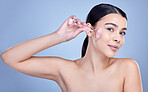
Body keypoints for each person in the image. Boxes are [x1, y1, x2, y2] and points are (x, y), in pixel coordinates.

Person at [1, 3, 143, 92]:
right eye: (110, 29)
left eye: (122, 32)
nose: (118, 38)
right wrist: (59, 36)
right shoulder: (64, 69)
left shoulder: (127, 67)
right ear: (89, 30)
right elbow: (10, 58)